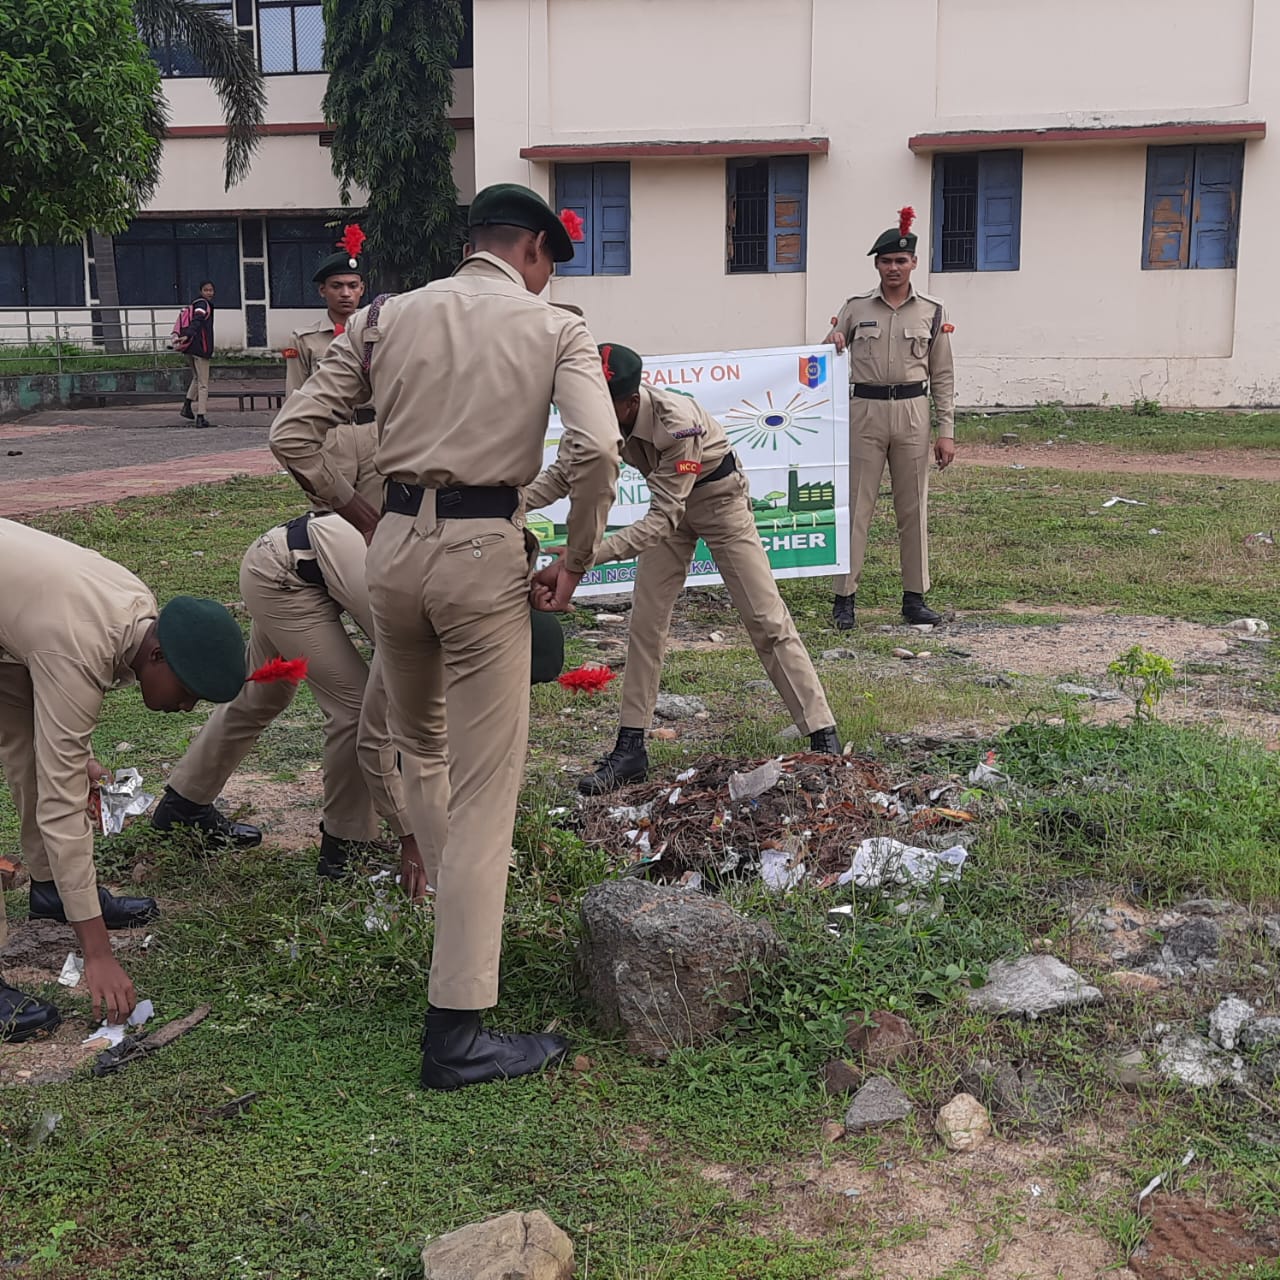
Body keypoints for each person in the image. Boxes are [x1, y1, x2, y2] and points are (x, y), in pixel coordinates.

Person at [269, 183, 620, 1090]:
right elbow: (599, 447)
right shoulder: (556, 328)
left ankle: (445, 921)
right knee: (484, 792)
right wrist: (573, 558)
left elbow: (293, 432)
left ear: (473, 244)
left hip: (393, 551)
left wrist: (362, 509)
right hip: (480, 555)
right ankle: (459, 1024)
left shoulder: (385, 317)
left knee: (418, 744)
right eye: (548, 265)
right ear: (535, 251)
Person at [0, 520, 282, 1040]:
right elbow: (63, 805)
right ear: (157, 656)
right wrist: (99, 953)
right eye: (188, 690)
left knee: (28, 749)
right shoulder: (82, 645)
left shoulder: (137, 606)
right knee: (54, 784)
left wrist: (75, 754)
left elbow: (50, 674)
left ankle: (52, 890)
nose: (186, 706)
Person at [527, 344, 842, 794]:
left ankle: (821, 734)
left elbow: (661, 521)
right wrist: (507, 506)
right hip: (668, 503)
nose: (590, 410)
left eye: (601, 401)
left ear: (630, 401)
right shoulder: (595, 421)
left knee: (766, 618)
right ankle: (631, 748)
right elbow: (560, 476)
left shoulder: (677, 422)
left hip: (717, 499)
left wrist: (581, 558)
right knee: (646, 623)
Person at [826, 207, 955, 630]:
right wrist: (831, 341)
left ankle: (914, 598)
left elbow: (943, 374)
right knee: (856, 507)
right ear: (876, 265)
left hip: (913, 414)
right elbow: (824, 360)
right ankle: (844, 598)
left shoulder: (932, 311)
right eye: (886, 261)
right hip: (864, 411)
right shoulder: (855, 307)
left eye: (901, 260)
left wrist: (946, 431)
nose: (893, 268)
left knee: (913, 508)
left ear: (914, 263)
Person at [180, 280, 216, 429]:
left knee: (196, 378)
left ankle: (187, 406)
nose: (209, 292)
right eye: (206, 290)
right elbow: (197, 320)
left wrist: (187, 338)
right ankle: (201, 416)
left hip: (189, 348)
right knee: (203, 384)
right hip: (201, 348)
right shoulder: (202, 305)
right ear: (201, 291)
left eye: (211, 290)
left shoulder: (194, 303)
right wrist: (189, 334)